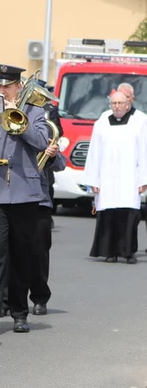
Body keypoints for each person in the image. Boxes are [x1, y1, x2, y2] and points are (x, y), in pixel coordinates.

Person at [0, 63, 52, 336]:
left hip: (25, 193)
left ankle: (20, 313)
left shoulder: (34, 111)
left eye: (7, 86)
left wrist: (20, 122)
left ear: (18, 87)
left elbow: (42, 142)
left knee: (23, 255)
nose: (2, 90)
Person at [83, 83, 147, 263]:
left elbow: (144, 151)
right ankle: (109, 251)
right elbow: (94, 152)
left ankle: (128, 252)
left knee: (128, 215)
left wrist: (144, 178)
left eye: (121, 103)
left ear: (128, 103)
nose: (117, 107)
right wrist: (92, 180)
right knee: (108, 213)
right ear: (110, 104)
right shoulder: (102, 121)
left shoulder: (141, 121)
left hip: (129, 177)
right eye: (114, 103)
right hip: (107, 176)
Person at [27, 86, 65, 315]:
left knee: (39, 251)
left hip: (39, 197)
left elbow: (60, 164)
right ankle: (6, 299)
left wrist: (51, 154)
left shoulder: (45, 125)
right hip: (12, 196)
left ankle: (40, 297)